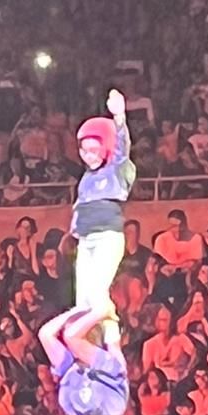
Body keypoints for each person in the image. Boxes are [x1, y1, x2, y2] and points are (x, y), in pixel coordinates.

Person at [68, 87, 134, 312]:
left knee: (97, 295)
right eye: (85, 152)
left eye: (95, 151)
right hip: (86, 240)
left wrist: (119, 117)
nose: (89, 156)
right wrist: (74, 231)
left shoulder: (115, 169)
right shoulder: (86, 178)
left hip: (107, 237)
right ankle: (88, 342)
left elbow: (122, 149)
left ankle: (110, 342)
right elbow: (80, 205)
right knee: (83, 301)